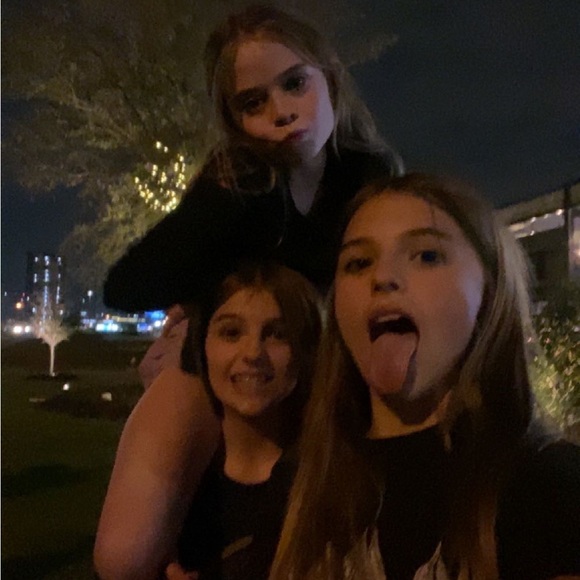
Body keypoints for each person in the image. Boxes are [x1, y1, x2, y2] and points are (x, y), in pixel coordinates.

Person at [96, 5, 400, 576]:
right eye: (253, 103)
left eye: (295, 84)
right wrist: (205, 295)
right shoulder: (237, 185)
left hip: (324, 361)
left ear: (329, 77)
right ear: (235, 121)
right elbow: (128, 285)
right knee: (123, 557)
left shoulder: (369, 173)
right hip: (217, 358)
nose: (281, 112)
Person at [270, 173, 580, 580]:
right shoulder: (296, 487)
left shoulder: (550, 487)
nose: (383, 277)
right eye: (358, 263)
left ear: (489, 291)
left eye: (427, 256)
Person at [95, 261, 322, 580]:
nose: (253, 353)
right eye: (231, 333)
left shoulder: (328, 481)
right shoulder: (172, 492)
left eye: (277, 334)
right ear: (202, 347)